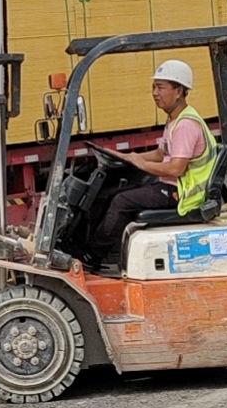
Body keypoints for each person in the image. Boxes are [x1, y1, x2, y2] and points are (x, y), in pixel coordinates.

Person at [86, 59, 219, 271]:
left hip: (181, 194)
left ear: (178, 91)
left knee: (121, 201)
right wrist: (128, 156)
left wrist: (140, 163)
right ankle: (104, 253)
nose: (155, 93)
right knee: (114, 195)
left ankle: (90, 257)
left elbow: (176, 169)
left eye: (160, 87)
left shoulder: (185, 125)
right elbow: (160, 154)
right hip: (170, 187)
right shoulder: (175, 120)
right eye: (153, 87)